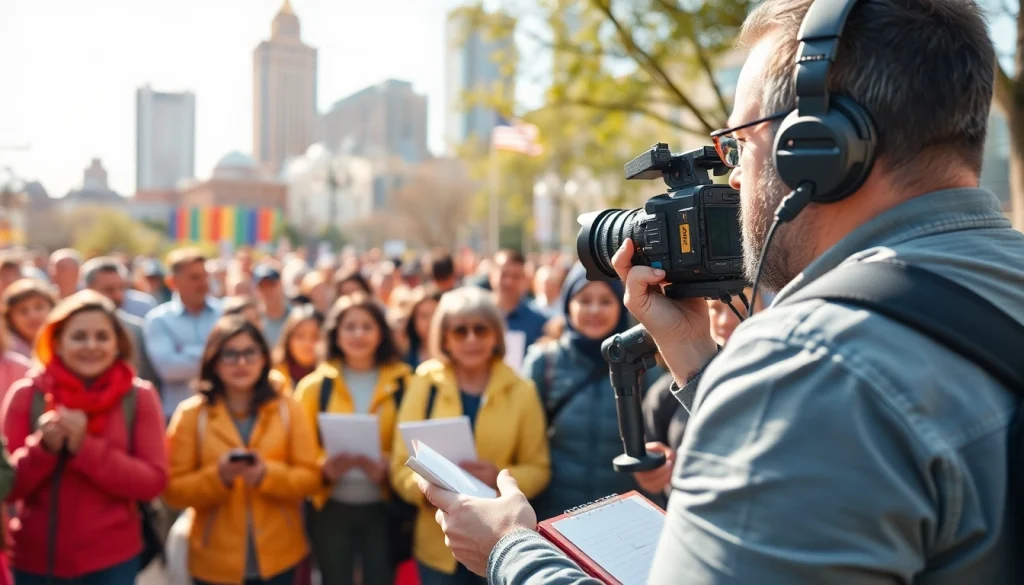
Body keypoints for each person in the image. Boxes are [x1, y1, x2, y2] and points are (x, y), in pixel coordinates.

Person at [412, 0, 1024, 582]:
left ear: (820, 151)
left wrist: (509, 550)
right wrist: (691, 352)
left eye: (739, 143)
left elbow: (811, 418)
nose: (732, 174)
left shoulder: (806, 369)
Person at [2, 290, 168, 584]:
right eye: (79, 337)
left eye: (102, 336)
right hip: (35, 560)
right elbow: (9, 487)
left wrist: (85, 448)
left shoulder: (138, 396)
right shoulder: (28, 394)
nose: (91, 346)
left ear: (118, 344)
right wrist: (43, 449)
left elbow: (152, 482)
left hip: (113, 561)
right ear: (57, 343)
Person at [391, 287, 550, 585]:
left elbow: (539, 468)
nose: (472, 339)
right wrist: (428, 491)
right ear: (445, 338)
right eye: (460, 331)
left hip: (499, 547)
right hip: (437, 545)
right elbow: (400, 464)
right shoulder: (426, 382)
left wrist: (499, 477)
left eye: (480, 329)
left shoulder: (522, 390)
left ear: (496, 335)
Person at [163, 315, 320, 585]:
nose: (242, 363)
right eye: (230, 355)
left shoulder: (287, 407)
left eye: (250, 353)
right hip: (213, 562)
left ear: (263, 358)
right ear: (214, 361)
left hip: (280, 556)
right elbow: (173, 490)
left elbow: (311, 477)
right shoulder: (191, 415)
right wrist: (219, 477)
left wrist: (265, 475)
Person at [521, 263, 661, 520]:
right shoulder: (545, 362)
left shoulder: (647, 366)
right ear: (567, 305)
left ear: (621, 306)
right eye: (584, 300)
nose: (594, 310)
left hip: (625, 517)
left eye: (606, 301)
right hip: (556, 517)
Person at [292, 294, 411, 585]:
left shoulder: (405, 382)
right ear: (335, 333)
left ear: (381, 332)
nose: (358, 334)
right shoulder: (313, 387)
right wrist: (322, 467)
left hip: (384, 507)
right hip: (330, 507)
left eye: (367, 326)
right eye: (350, 326)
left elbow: (415, 442)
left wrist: (392, 464)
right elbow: (298, 450)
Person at [144, 248, 223, 419]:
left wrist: (186, 352)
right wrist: (216, 356)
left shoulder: (225, 313)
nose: (203, 283)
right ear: (172, 282)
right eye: (195, 278)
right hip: (176, 416)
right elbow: (169, 369)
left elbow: (232, 358)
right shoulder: (158, 320)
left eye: (205, 276)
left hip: (221, 413)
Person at [270, 305, 323, 393]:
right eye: (300, 336)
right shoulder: (274, 376)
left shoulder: (332, 377)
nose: (307, 343)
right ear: (288, 339)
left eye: (315, 337)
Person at [1, 278, 57, 359]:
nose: (32, 315)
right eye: (23, 310)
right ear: (10, 319)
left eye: (39, 307)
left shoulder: (63, 345)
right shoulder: (8, 353)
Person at [403, 285, 443, 369]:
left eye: (435, 314)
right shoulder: (404, 352)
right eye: (423, 316)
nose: (430, 321)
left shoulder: (455, 352)